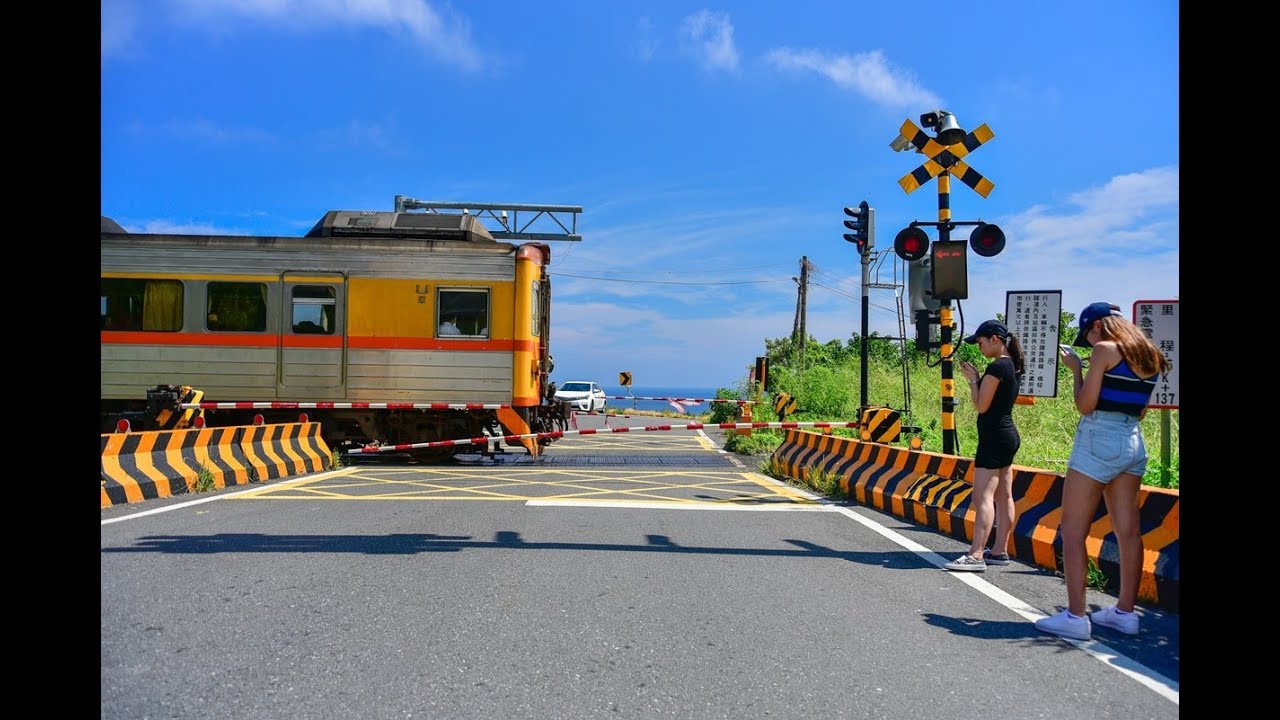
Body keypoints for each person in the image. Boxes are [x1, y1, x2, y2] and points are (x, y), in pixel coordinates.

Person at [1034, 302, 1171, 640]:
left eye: (1088, 334)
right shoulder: (1149, 354)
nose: (1089, 341)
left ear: (1098, 325)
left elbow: (1085, 404)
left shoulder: (1105, 350)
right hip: (1132, 442)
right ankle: (1125, 613)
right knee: (1128, 532)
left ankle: (1076, 617)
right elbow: (1139, 413)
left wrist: (1076, 370)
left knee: (1073, 530)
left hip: (1098, 439)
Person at [944, 319, 1025, 572]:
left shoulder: (997, 368)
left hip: (994, 438)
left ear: (994, 339)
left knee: (983, 497)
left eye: (980, 342)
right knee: (1004, 495)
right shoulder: (1012, 365)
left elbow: (981, 405)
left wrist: (972, 380)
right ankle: (999, 550)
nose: (979, 347)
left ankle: (976, 554)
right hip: (1006, 436)